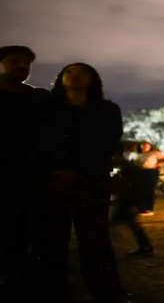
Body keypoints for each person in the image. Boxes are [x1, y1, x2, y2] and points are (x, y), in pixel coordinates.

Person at [40, 63, 129, 302]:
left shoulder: (107, 110)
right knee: (52, 240)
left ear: (93, 79)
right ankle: (55, 290)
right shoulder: (46, 108)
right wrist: (54, 170)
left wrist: (78, 171)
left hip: (91, 182)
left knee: (95, 240)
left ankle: (106, 291)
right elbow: (38, 142)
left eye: (82, 72)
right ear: (61, 78)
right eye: (69, 71)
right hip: (51, 182)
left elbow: (107, 145)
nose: (75, 75)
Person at [0, 46, 50, 300]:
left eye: (26, 62)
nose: (22, 65)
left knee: (29, 238)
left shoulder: (39, 99)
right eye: (14, 61)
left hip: (33, 180)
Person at [111, 142, 154, 257]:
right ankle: (145, 245)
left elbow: (131, 184)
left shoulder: (124, 165)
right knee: (129, 223)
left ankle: (144, 246)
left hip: (128, 198)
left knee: (126, 223)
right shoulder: (126, 164)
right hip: (128, 198)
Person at [136, 141, 164, 215]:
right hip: (142, 172)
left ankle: (149, 209)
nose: (144, 147)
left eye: (146, 146)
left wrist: (159, 164)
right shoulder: (141, 154)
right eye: (143, 145)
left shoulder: (155, 153)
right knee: (142, 190)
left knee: (150, 190)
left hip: (151, 171)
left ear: (150, 146)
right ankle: (142, 208)